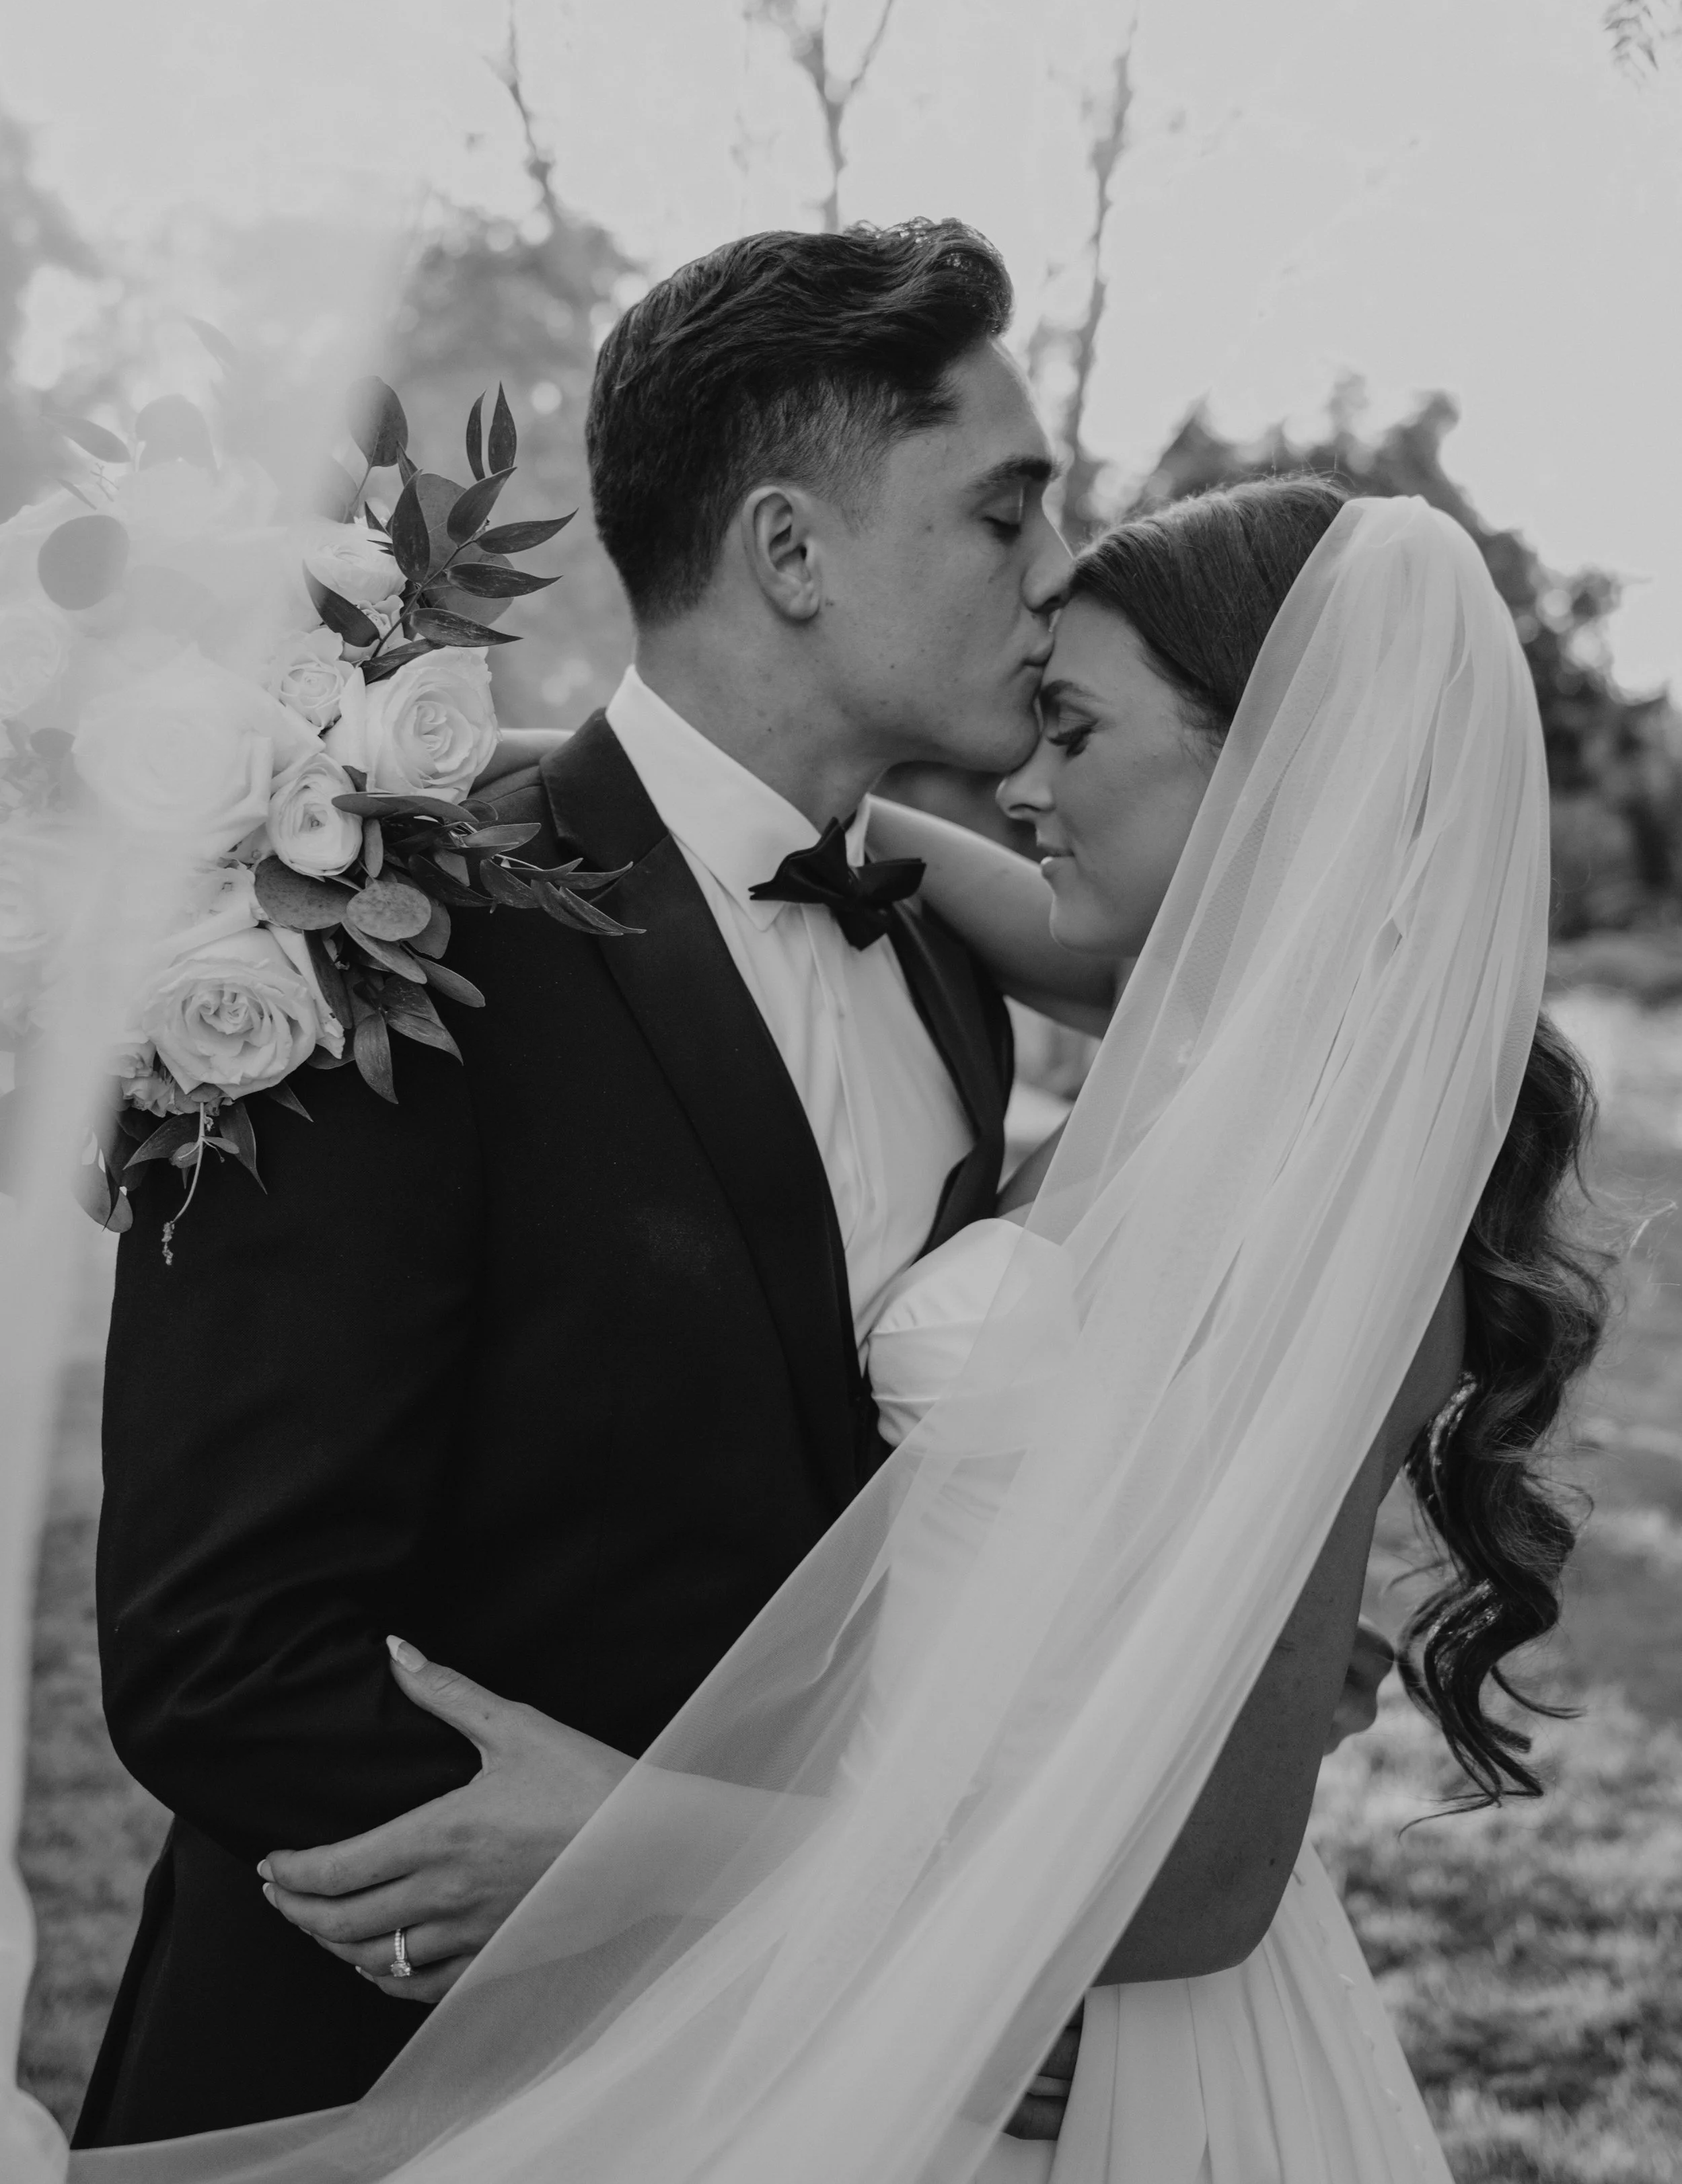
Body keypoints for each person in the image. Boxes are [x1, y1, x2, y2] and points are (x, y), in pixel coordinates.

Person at [141, 480, 1606, 2184]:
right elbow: (788, 844)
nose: (1022, 782)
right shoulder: (1199, 1051)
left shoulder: (1324, 1191)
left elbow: (1203, 1887)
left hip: (1064, 2014)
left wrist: (621, 1839)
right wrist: (383, 771)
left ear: (1269, 769)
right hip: (908, 1948)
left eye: (1072, 728)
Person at [75, 220, 1071, 2145]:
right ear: (789, 550)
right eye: (1003, 515)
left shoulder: (946, 967)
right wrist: (622, 1887)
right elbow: (218, 1648)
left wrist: (738, 1882)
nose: (1056, 579)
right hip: (387, 2086)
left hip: (800, 2080)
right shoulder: (378, 920)